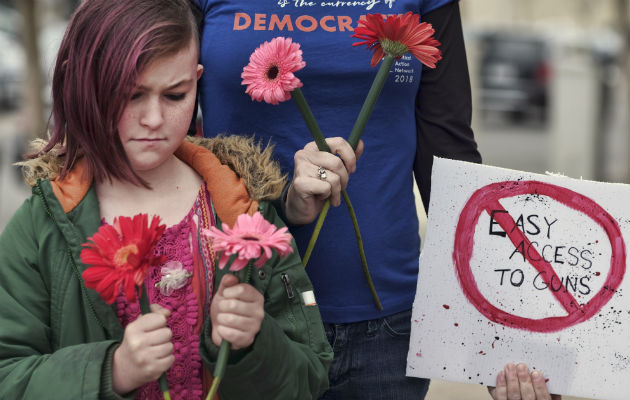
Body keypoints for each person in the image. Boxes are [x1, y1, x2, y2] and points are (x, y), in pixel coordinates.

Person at [192, 1, 561, 399]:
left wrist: (503, 332)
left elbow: (449, 153)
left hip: (386, 327)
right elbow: (158, 122)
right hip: (246, 314)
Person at [0, 0, 332, 399]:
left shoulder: (243, 211)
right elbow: (9, 374)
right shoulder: (44, 224)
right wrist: (113, 370)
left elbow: (308, 378)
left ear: (197, 80)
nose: (154, 118)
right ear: (84, 85)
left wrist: (254, 344)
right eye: (132, 95)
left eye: (175, 95)